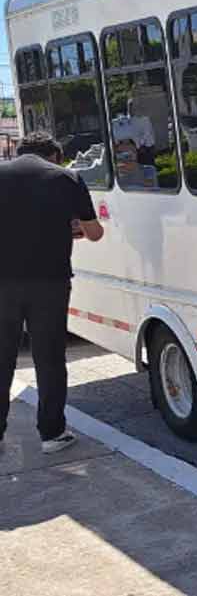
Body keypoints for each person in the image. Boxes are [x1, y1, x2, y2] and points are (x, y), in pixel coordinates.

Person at [0, 132, 104, 453]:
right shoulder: (67, 178)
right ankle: (52, 434)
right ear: (54, 156)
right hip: (50, 283)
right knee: (49, 358)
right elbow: (95, 233)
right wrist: (70, 229)